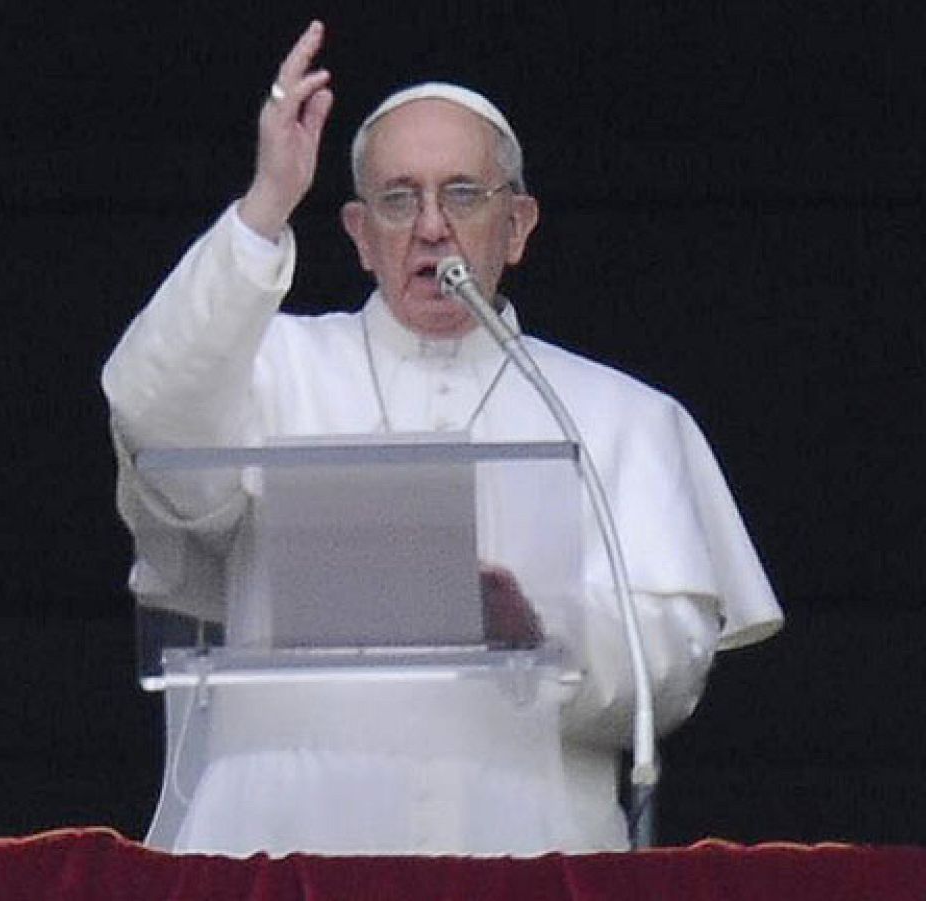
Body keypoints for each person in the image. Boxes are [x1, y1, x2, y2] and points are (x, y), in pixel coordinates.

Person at [103, 21, 782, 856]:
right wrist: (266, 203)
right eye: (398, 198)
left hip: (525, 844)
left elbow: (668, 672)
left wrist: (539, 632)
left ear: (519, 224)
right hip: (282, 843)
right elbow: (150, 412)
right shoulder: (271, 369)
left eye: (464, 194)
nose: (432, 226)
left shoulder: (616, 414)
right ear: (357, 233)